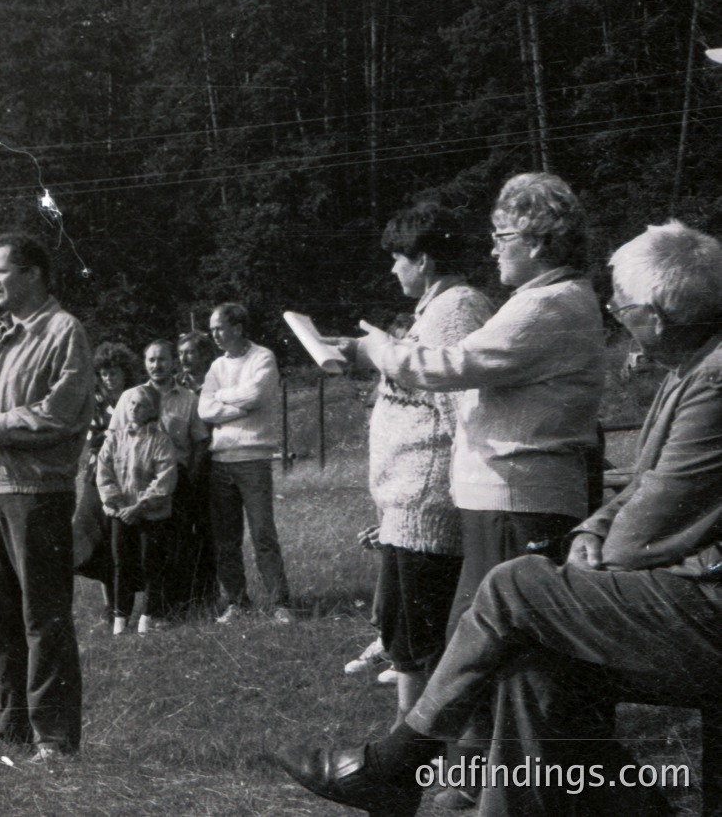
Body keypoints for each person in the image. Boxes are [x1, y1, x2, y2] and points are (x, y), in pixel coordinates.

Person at [276, 219, 722, 817]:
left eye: (623, 306)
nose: (613, 314)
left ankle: (400, 761)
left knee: (518, 586)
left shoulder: (713, 381)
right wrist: (591, 530)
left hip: (705, 607)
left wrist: (594, 561)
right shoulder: (689, 370)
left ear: (658, 318)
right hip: (686, 594)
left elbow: (654, 519)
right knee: (529, 659)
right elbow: (641, 487)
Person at [339, 174, 603, 807]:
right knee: (485, 655)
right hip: (503, 498)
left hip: (520, 500)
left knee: (497, 660)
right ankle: (450, 789)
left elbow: (451, 364)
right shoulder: (544, 299)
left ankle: (442, 786)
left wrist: (380, 348)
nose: (493, 250)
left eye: (503, 236)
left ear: (539, 242)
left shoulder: (549, 304)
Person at [0, 232, 93, 764]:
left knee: (44, 620)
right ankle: (6, 732)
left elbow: (63, 413)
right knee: (0, 622)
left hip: (37, 496)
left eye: (0, 270)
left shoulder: (63, 331)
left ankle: (55, 741)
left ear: (33, 273)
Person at [364, 201, 494, 720]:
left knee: (425, 636)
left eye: (399, 257)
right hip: (406, 504)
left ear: (424, 260)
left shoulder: (457, 310)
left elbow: (465, 408)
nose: (393, 268)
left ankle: (430, 752)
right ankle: (412, 747)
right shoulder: (432, 311)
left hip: (431, 504)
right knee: (404, 631)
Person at [198, 303, 292, 624]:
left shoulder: (263, 358)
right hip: (220, 462)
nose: (214, 334)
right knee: (226, 538)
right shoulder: (215, 367)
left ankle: (281, 603)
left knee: (263, 534)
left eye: (219, 327)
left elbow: (255, 394)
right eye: (211, 329)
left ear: (237, 328)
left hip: (254, 460)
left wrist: (223, 397)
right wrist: (238, 406)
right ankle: (237, 602)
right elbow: (204, 409)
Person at [96, 384, 178, 635]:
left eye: (141, 404)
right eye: (131, 403)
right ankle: (120, 618)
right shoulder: (115, 438)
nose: (133, 408)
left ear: (152, 410)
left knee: (150, 563)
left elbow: (164, 480)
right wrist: (120, 505)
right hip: (120, 514)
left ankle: (148, 616)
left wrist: (139, 506)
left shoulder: (161, 441)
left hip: (150, 515)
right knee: (121, 564)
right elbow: (104, 473)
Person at [73, 342, 142, 627]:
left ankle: (128, 606)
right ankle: (108, 604)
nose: (108, 378)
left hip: (129, 477)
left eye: (113, 372)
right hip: (96, 477)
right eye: (103, 373)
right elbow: (92, 442)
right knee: (93, 535)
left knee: (124, 540)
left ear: (125, 373)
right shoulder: (95, 404)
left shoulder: (136, 399)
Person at [145, 338, 213, 623]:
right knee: (149, 547)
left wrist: (192, 475)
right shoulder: (135, 396)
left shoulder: (188, 399)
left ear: (173, 363)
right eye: (151, 360)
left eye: (162, 359)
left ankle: (180, 606)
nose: (157, 365)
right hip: (143, 480)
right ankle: (152, 608)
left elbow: (199, 441)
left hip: (178, 479)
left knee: (179, 544)